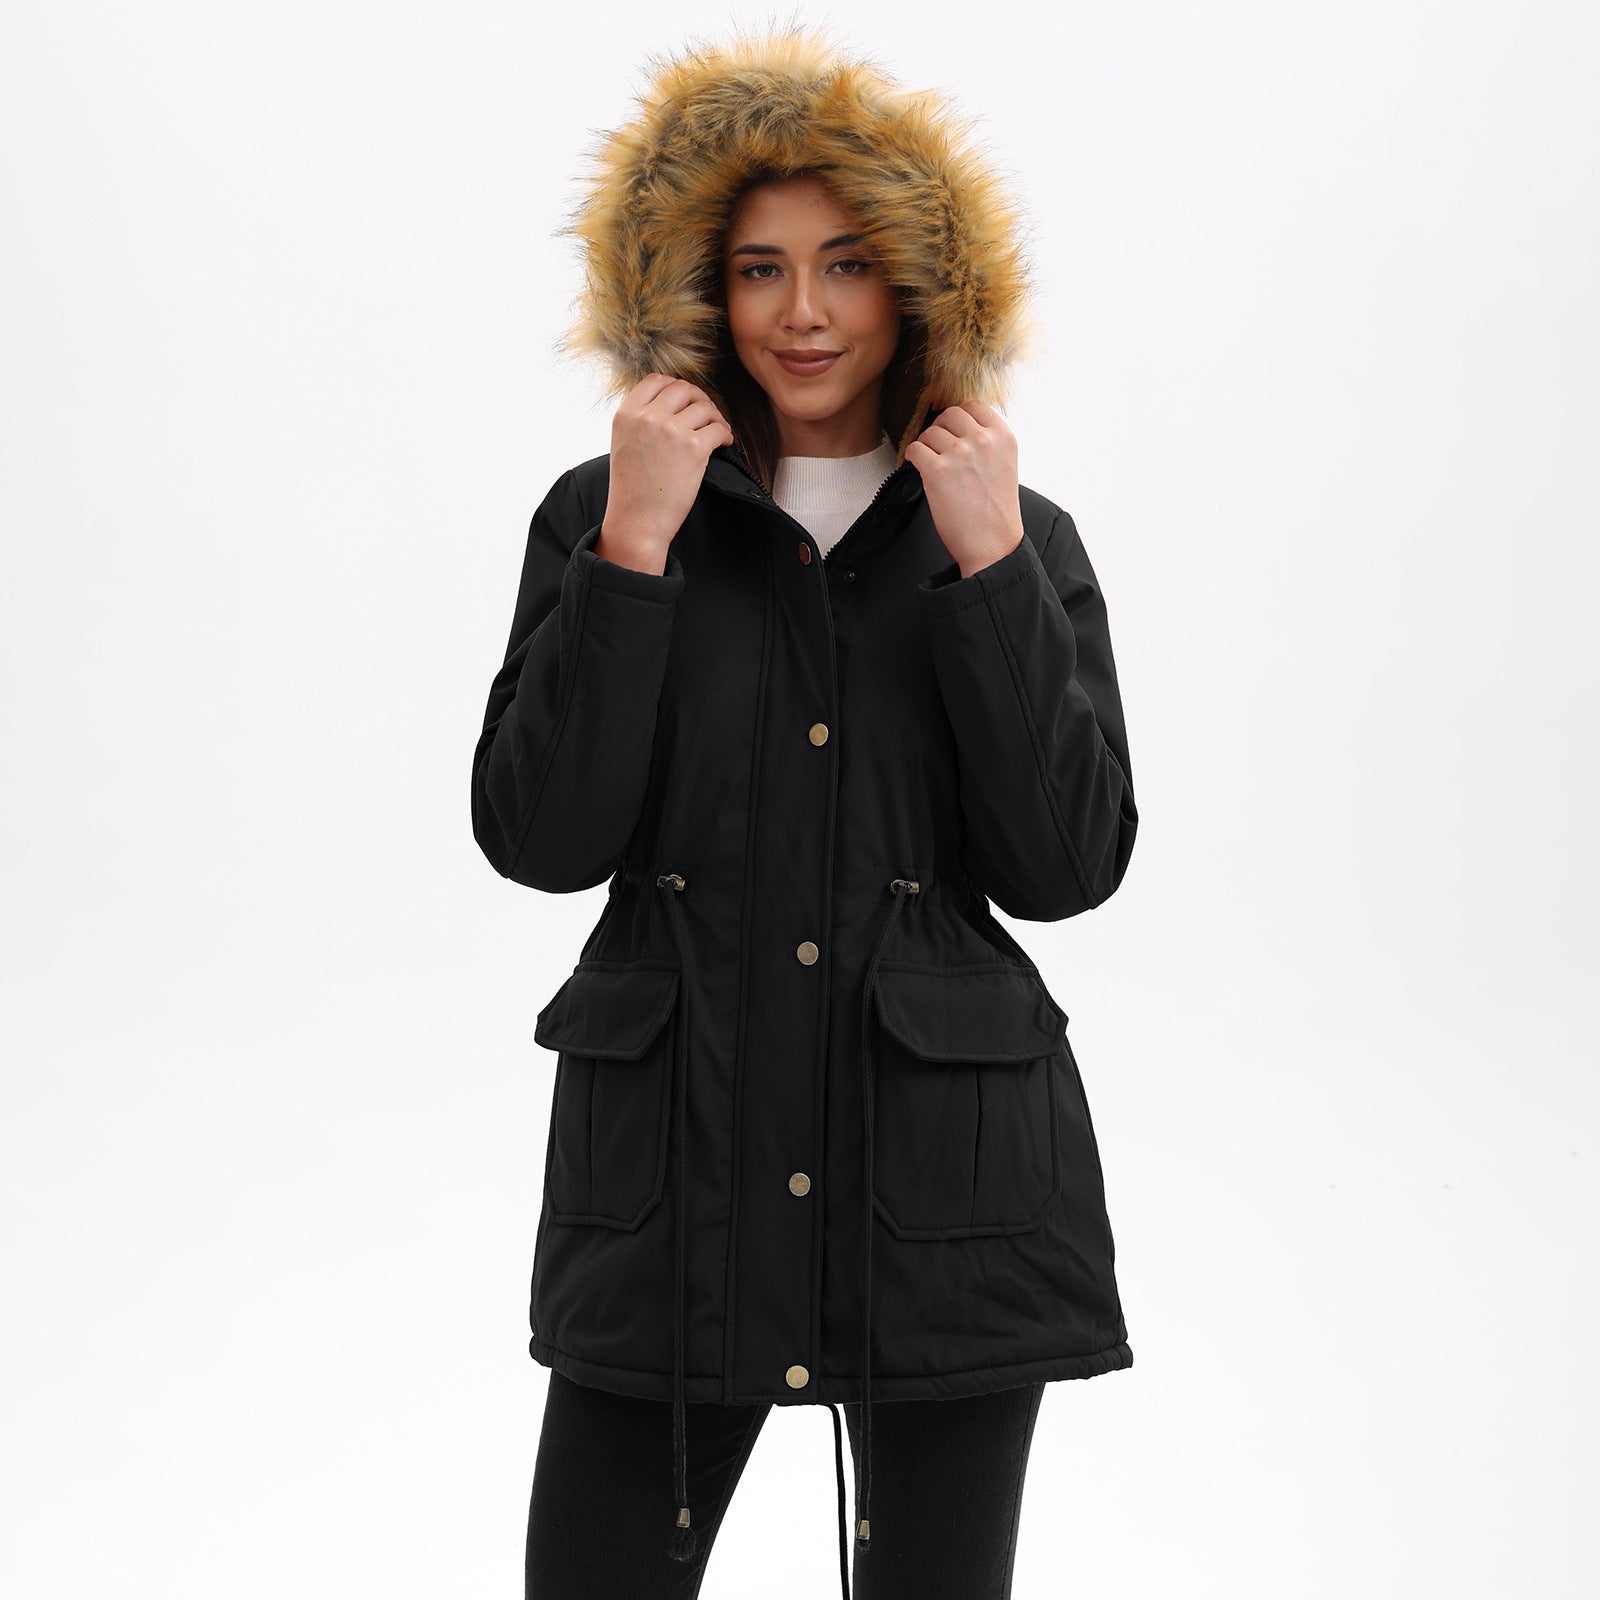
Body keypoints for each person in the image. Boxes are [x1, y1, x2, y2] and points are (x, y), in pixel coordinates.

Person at [470, 23, 1140, 1600]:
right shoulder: (605, 512)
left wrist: (991, 571)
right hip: (671, 1189)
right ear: (700, 290)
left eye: (846, 265)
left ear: (916, 284)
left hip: (944, 1203)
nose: (805, 312)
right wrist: (634, 552)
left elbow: (1065, 864)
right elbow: (539, 837)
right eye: (759, 269)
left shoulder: (1012, 529)